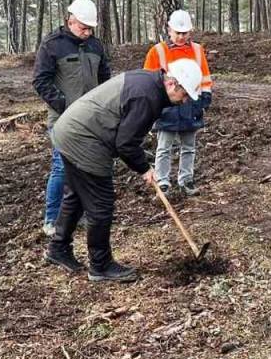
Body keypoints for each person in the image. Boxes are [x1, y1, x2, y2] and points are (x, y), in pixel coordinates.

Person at [45, 59, 204, 282]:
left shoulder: (149, 84)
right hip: (83, 138)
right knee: (101, 203)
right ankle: (100, 266)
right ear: (172, 84)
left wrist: (142, 163)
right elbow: (125, 143)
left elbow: (126, 136)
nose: (185, 100)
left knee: (77, 196)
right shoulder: (147, 96)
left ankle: (58, 248)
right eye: (185, 94)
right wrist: (144, 168)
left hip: (70, 130)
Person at [32, 0, 111, 237]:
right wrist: (64, 105)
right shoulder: (52, 45)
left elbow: (105, 79)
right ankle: (52, 219)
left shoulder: (95, 46)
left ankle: (81, 214)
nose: (87, 33)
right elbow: (40, 81)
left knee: (87, 168)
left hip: (92, 121)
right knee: (61, 168)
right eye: (83, 28)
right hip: (63, 120)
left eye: (90, 29)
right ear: (70, 21)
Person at [143, 9, 214, 196]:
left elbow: (205, 76)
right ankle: (163, 182)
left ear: (190, 32)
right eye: (178, 33)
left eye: (185, 33)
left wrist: (205, 95)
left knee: (189, 146)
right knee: (164, 146)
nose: (181, 37)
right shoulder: (157, 51)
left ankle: (186, 180)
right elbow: (148, 80)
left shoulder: (197, 50)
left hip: (190, 104)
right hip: (166, 105)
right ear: (169, 30)